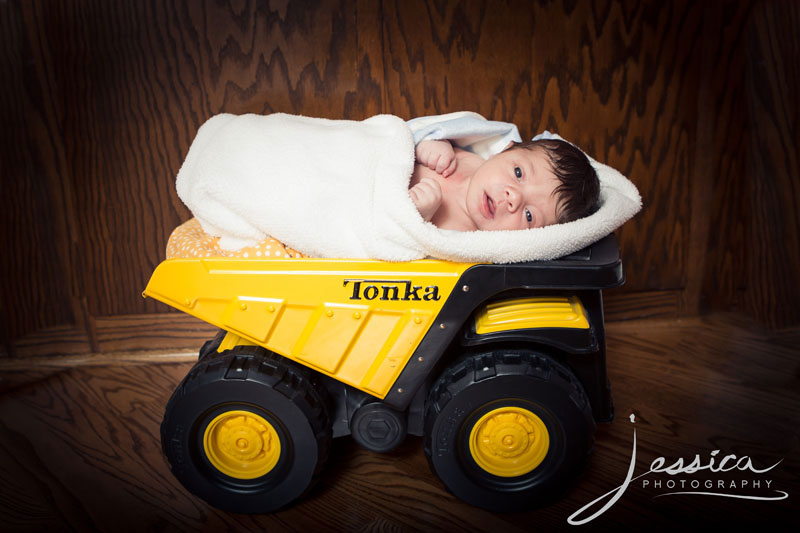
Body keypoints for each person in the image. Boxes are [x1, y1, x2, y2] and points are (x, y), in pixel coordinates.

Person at [409, 138, 599, 231]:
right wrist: (431, 143)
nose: (513, 198)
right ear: (505, 149)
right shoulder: (465, 156)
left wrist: (416, 218)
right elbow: (415, 134)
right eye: (518, 173)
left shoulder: (462, 236)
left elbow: (414, 253)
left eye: (529, 215)